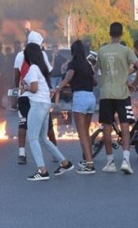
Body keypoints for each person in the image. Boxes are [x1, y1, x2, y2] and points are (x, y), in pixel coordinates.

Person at [97, 22, 138, 174]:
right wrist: (134, 84)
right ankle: (125, 161)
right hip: (123, 94)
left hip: (106, 94)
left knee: (107, 128)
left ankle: (110, 162)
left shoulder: (102, 51)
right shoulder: (126, 51)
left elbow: (96, 70)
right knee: (125, 126)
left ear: (109, 33)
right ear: (121, 34)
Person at [23, 43, 74, 181]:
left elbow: (34, 88)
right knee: (43, 139)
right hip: (45, 105)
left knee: (33, 138)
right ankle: (64, 162)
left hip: (38, 105)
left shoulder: (33, 68)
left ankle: (42, 170)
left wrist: (24, 88)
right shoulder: (41, 68)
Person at [51, 40, 98, 174]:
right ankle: (88, 159)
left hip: (80, 98)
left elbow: (68, 78)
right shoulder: (88, 65)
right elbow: (95, 82)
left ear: (73, 51)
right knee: (86, 131)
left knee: (82, 133)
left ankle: (89, 164)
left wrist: (57, 88)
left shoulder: (73, 64)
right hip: (91, 97)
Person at [13, 31, 55, 165]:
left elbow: (16, 74)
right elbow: (48, 72)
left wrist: (19, 88)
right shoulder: (41, 54)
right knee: (47, 125)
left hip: (24, 95)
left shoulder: (19, 55)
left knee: (23, 123)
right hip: (39, 96)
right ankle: (55, 152)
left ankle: (21, 153)